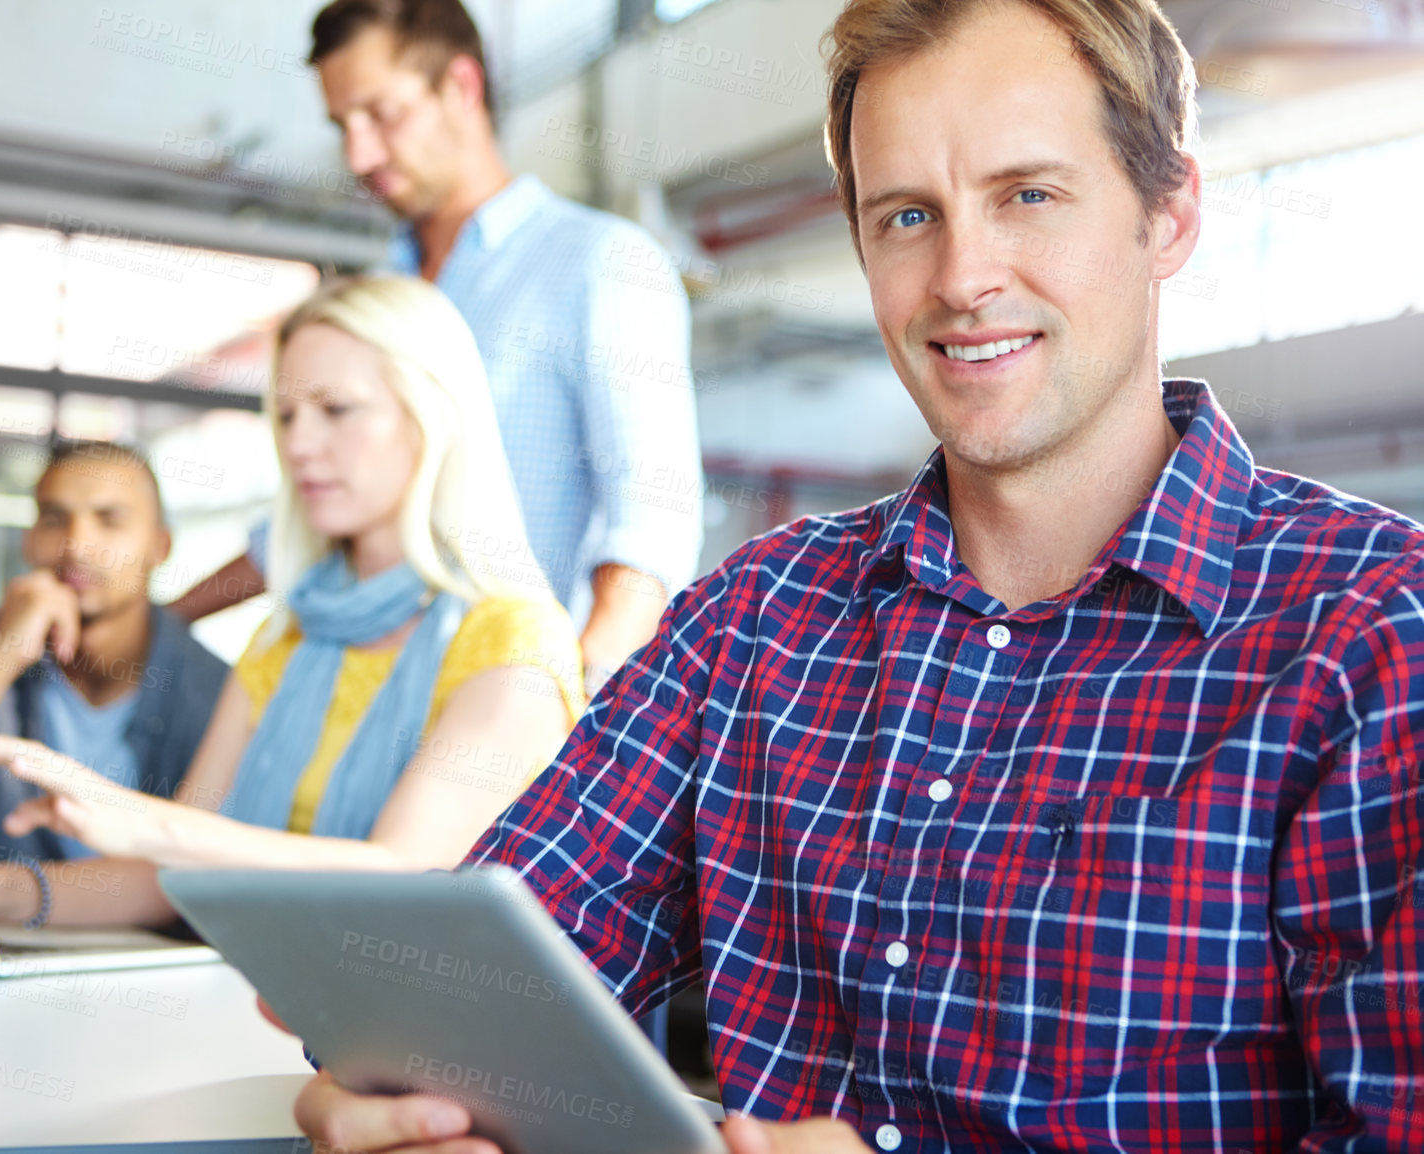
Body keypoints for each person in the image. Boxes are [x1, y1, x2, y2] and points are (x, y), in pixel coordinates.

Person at [284, 1, 1424, 1152]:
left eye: (1027, 194)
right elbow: (493, 959)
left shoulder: (1371, 636)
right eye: (906, 216)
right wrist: (399, 1070)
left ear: (1168, 213)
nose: (962, 275)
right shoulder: (754, 620)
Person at [0, 276, 586, 929]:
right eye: (287, 415)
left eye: (337, 409)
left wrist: (148, 823)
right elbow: (173, 877)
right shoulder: (286, 636)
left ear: (431, 416)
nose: (299, 444)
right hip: (252, 1006)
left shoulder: (515, 642)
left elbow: (409, 874)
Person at [168, 0, 704, 697]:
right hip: (360, 702)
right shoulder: (377, 294)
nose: (359, 154)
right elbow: (306, 525)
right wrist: (162, 621)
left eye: (382, 114)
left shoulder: (601, 263)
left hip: (510, 728)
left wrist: (563, 721)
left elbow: (650, 532)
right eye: (342, 127)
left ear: (462, 86)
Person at [0, 441, 228, 867]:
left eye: (110, 520)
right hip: (4, 931)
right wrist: (0, 660)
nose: (78, 545)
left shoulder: (215, 690)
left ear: (160, 547)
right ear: (30, 540)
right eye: (54, 519)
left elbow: (208, 862)